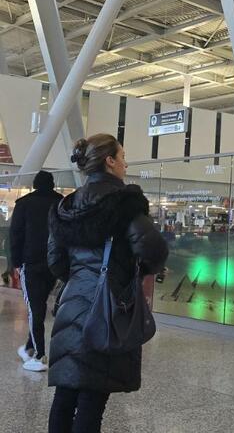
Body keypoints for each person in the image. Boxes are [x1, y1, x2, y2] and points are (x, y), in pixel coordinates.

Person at [47, 134, 168, 433]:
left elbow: (55, 260)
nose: (126, 163)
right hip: (109, 308)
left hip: (72, 304)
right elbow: (153, 250)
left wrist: (80, 278)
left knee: (65, 394)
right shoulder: (126, 203)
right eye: (123, 156)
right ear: (110, 161)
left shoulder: (66, 205)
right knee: (92, 399)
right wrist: (132, 273)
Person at [10, 170, 63, 371]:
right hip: (53, 263)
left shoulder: (24, 203)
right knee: (39, 306)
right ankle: (29, 348)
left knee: (35, 308)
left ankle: (40, 356)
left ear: (35, 184)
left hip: (30, 263)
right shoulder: (60, 203)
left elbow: (16, 234)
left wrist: (16, 263)